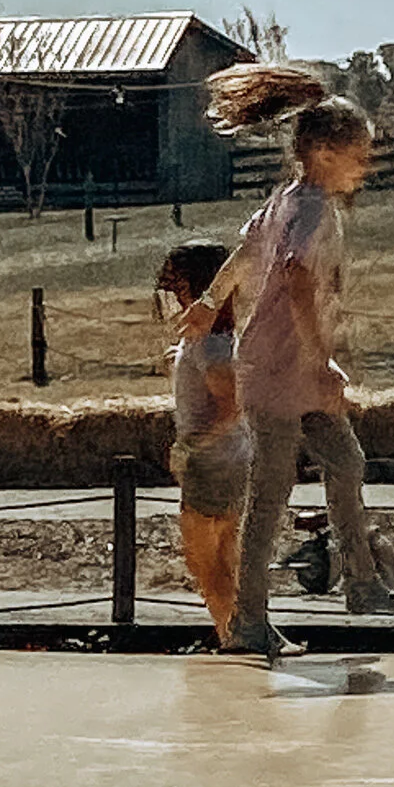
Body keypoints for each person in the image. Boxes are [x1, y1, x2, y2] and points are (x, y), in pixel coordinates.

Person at [178, 65, 394, 657]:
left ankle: (362, 584)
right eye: (357, 157)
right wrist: (322, 363)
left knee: (345, 461)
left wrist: (210, 304)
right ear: (321, 153)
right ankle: (249, 625)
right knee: (271, 494)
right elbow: (294, 278)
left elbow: (244, 252)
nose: (364, 169)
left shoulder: (289, 199)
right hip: (281, 369)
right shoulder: (309, 208)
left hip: (283, 368)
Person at [155, 240, 247, 642]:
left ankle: (232, 632)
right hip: (228, 459)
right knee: (222, 554)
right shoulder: (205, 340)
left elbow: (231, 405)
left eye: (179, 287)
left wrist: (191, 448)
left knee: (204, 557)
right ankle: (233, 630)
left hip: (213, 462)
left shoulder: (209, 344)